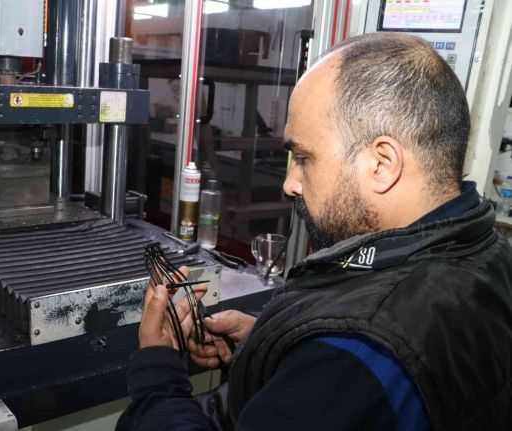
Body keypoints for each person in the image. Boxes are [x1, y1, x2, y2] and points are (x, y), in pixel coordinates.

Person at [116, 33, 512, 431]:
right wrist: (274, 349)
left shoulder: (353, 352)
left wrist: (157, 373)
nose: (290, 183)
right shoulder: (487, 254)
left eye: (304, 157)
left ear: (382, 163)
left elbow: (355, 366)